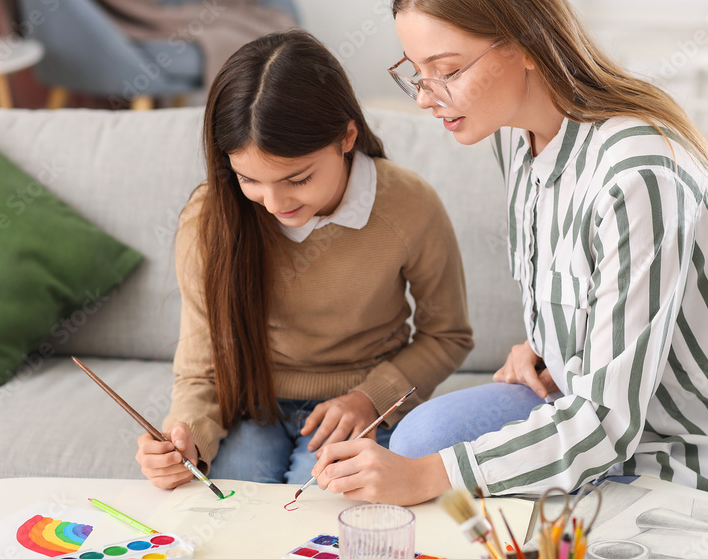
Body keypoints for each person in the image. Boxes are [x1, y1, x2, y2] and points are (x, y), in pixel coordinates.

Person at [312, 0, 708, 506]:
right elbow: (602, 299)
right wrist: (550, 345)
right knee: (422, 439)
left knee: (432, 472)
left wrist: (429, 478)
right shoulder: (516, 140)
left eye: (446, 69)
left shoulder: (638, 176)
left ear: (524, 43)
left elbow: (605, 424)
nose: (424, 95)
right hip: (623, 419)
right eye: (415, 70)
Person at [135, 29, 473, 487]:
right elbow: (202, 367)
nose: (273, 203)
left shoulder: (408, 205)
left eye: (298, 179)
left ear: (347, 136)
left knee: (316, 517)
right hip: (253, 406)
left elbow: (447, 335)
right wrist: (184, 438)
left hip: (360, 407)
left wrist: (370, 399)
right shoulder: (210, 219)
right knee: (228, 509)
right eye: (248, 179)